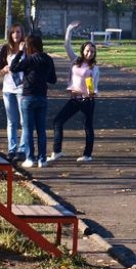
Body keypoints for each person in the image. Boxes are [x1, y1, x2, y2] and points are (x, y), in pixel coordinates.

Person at [47, 21, 99, 163]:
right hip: (74, 99)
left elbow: (93, 87)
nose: (89, 53)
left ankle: (87, 155)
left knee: (87, 127)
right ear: (83, 50)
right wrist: (69, 29)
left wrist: (90, 91)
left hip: (87, 100)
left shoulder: (93, 68)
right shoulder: (75, 60)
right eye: (87, 50)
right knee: (58, 121)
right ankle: (57, 151)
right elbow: (67, 45)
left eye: (92, 52)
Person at [9, 31, 57, 169]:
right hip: (42, 96)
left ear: (29, 46)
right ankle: (42, 159)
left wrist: (20, 52)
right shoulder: (48, 59)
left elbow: (13, 67)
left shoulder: (29, 60)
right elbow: (53, 79)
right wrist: (42, 76)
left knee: (28, 129)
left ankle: (30, 158)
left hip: (28, 96)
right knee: (41, 130)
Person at [0, 24, 25, 161]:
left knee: (23, 121)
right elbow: (0, 71)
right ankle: (12, 149)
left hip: (22, 89)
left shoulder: (26, 49)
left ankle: (23, 149)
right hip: (8, 89)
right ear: (10, 34)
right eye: (13, 32)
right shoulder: (5, 49)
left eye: (18, 32)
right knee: (11, 121)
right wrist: (5, 69)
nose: (16, 34)